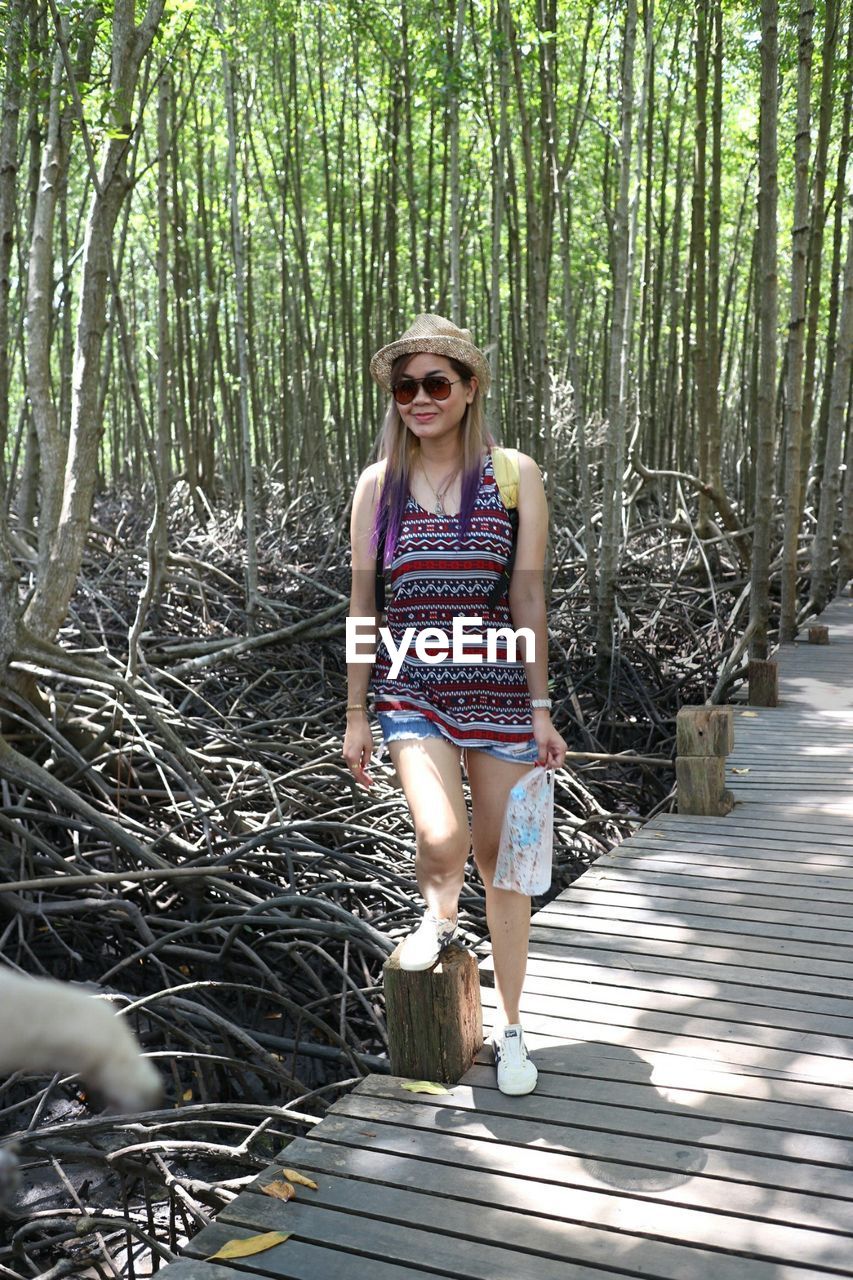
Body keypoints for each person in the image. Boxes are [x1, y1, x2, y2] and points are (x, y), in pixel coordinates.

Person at [343, 314, 567, 1096]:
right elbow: (363, 604)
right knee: (441, 840)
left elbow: (528, 593)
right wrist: (355, 713)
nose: (419, 398)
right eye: (406, 387)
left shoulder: (513, 474)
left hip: (501, 689)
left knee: (502, 864)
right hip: (412, 689)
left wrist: (541, 707)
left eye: (437, 383)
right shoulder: (378, 485)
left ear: (470, 390)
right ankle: (438, 922)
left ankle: (510, 1029)